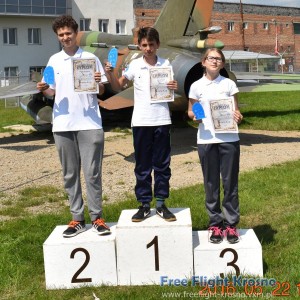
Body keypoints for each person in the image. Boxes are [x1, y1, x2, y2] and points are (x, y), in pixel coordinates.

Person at [37, 15, 118, 237]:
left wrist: (97, 80)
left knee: (92, 173)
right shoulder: (53, 60)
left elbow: (101, 91)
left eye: (68, 33)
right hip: (63, 123)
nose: (65, 37)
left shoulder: (91, 58)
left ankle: (97, 217)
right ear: (58, 37)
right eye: (61, 35)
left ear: (75, 33)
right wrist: (43, 88)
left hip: (90, 122)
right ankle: (76, 219)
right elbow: (51, 93)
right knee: (70, 174)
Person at [110, 27, 178, 222]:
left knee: (163, 165)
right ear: (139, 46)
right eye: (144, 45)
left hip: (162, 120)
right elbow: (118, 86)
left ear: (158, 45)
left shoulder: (166, 64)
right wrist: (111, 73)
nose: (148, 48)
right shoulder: (134, 65)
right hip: (141, 121)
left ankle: (161, 203)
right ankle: (144, 204)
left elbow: (171, 90)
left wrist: (174, 86)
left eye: (151, 44)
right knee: (142, 165)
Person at [188, 48, 243, 244]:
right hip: (206, 140)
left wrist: (238, 116)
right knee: (210, 184)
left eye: (218, 59)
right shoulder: (195, 86)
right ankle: (215, 224)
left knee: (230, 184)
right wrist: (195, 116)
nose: (215, 61)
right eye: (211, 58)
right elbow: (191, 111)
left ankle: (230, 224)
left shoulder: (229, 84)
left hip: (229, 139)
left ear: (222, 63)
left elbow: (236, 110)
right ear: (203, 62)